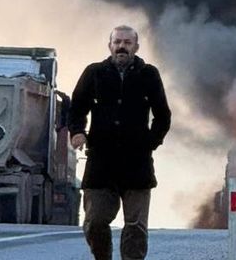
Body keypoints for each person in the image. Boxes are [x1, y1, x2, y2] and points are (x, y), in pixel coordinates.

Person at [70, 26, 171, 260]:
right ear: (110, 46)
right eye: (117, 42)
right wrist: (77, 132)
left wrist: (150, 143)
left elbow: (163, 116)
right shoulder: (94, 73)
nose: (121, 47)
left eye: (127, 42)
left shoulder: (149, 75)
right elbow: (76, 109)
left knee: (135, 227)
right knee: (94, 222)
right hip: (101, 163)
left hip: (137, 164)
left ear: (136, 47)